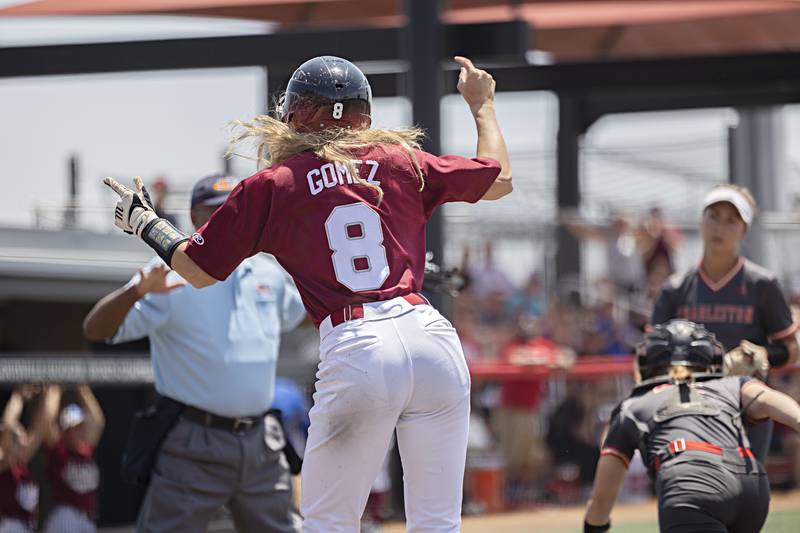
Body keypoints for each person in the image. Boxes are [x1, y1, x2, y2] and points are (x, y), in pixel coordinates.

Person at [102, 54, 511, 532]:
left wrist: (147, 223)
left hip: (358, 343)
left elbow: (196, 269)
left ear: (295, 114)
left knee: (326, 524)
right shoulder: (398, 159)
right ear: (364, 114)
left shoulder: (277, 183)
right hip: (431, 336)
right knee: (438, 523)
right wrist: (482, 105)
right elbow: (499, 179)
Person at [84, 174, 306, 533]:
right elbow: (95, 329)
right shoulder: (168, 274)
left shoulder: (268, 272)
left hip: (262, 439)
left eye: (233, 210)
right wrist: (136, 293)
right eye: (212, 211)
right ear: (193, 218)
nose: (224, 218)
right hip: (194, 441)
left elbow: (306, 315)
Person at [583, 319, 800, 533]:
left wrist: (593, 527)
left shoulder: (632, 407)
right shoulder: (730, 385)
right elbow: (767, 400)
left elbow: (601, 503)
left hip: (691, 482)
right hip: (752, 485)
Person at [651, 184, 799, 463]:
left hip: (747, 410)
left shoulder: (762, 284)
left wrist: (763, 355)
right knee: (695, 493)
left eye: (732, 220)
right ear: (701, 221)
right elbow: (650, 352)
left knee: (746, 495)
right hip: (689, 408)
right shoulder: (675, 288)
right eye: (713, 216)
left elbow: (791, 347)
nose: (720, 226)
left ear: (744, 231)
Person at [42, 385, 104, 533]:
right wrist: (53, 391)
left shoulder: (86, 451)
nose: (82, 431)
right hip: (66, 516)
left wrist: (83, 389)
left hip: (87, 517)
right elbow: (47, 422)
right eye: (76, 428)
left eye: (82, 427)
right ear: (65, 431)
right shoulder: (59, 451)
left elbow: (98, 421)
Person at [0, 386, 57, 533]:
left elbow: (40, 427)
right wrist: (18, 396)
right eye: (18, 437)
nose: (24, 440)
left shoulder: (20, 463)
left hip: (26, 527)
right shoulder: (3, 463)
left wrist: (49, 393)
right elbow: (7, 425)